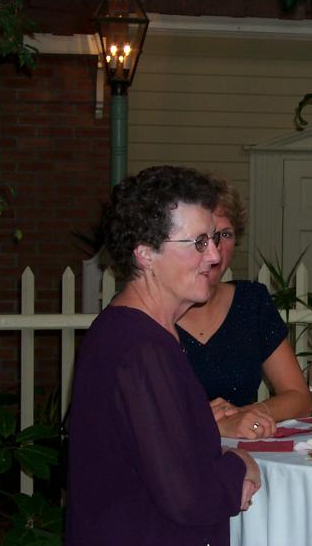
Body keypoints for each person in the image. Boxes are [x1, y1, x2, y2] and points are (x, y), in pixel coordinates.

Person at [66, 166, 260, 546]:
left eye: (214, 239)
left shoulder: (141, 333)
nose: (214, 255)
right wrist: (240, 467)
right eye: (198, 242)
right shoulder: (138, 347)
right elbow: (187, 497)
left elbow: (161, 457)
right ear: (145, 254)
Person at [176, 177, 312, 439]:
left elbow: (299, 398)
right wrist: (211, 424)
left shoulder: (250, 302)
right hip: (171, 455)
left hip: (245, 451)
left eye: (225, 234)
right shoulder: (149, 311)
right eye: (203, 237)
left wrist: (244, 415)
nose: (215, 248)